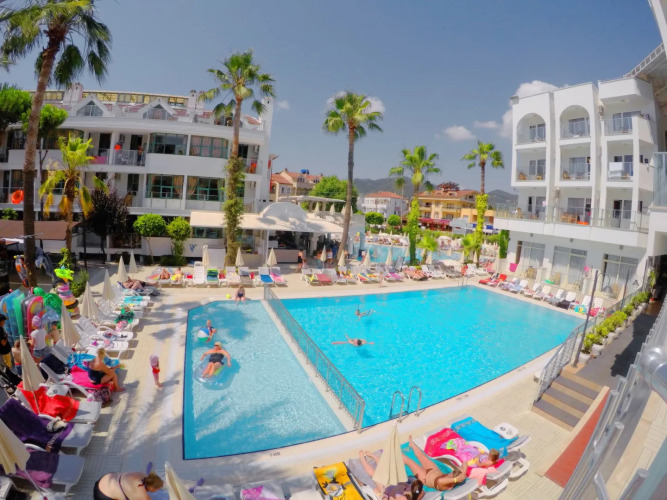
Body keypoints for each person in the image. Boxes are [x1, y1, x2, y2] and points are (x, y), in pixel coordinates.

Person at [403, 436, 467, 491]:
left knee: (409, 461)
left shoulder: (447, 486)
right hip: (434, 470)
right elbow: (465, 463)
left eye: (451, 475)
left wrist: (455, 479)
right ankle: (411, 444)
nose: (449, 474)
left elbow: (439, 481)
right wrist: (463, 473)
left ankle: (398, 454)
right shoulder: (453, 478)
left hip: (425, 478)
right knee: (421, 456)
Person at [357, 450, 425, 500]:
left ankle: (363, 460)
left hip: (385, 489)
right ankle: (374, 456)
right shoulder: (410, 492)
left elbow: (384, 497)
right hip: (394, 484)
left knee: (374, 474)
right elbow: (419, 491)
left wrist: (379, 494)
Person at [94, 471, 163, 500]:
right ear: (151, 487)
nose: (158, 490)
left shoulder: (142, 475)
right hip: (103, 494)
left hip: (106, 478)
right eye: (158, 489)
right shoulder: (143, 495)